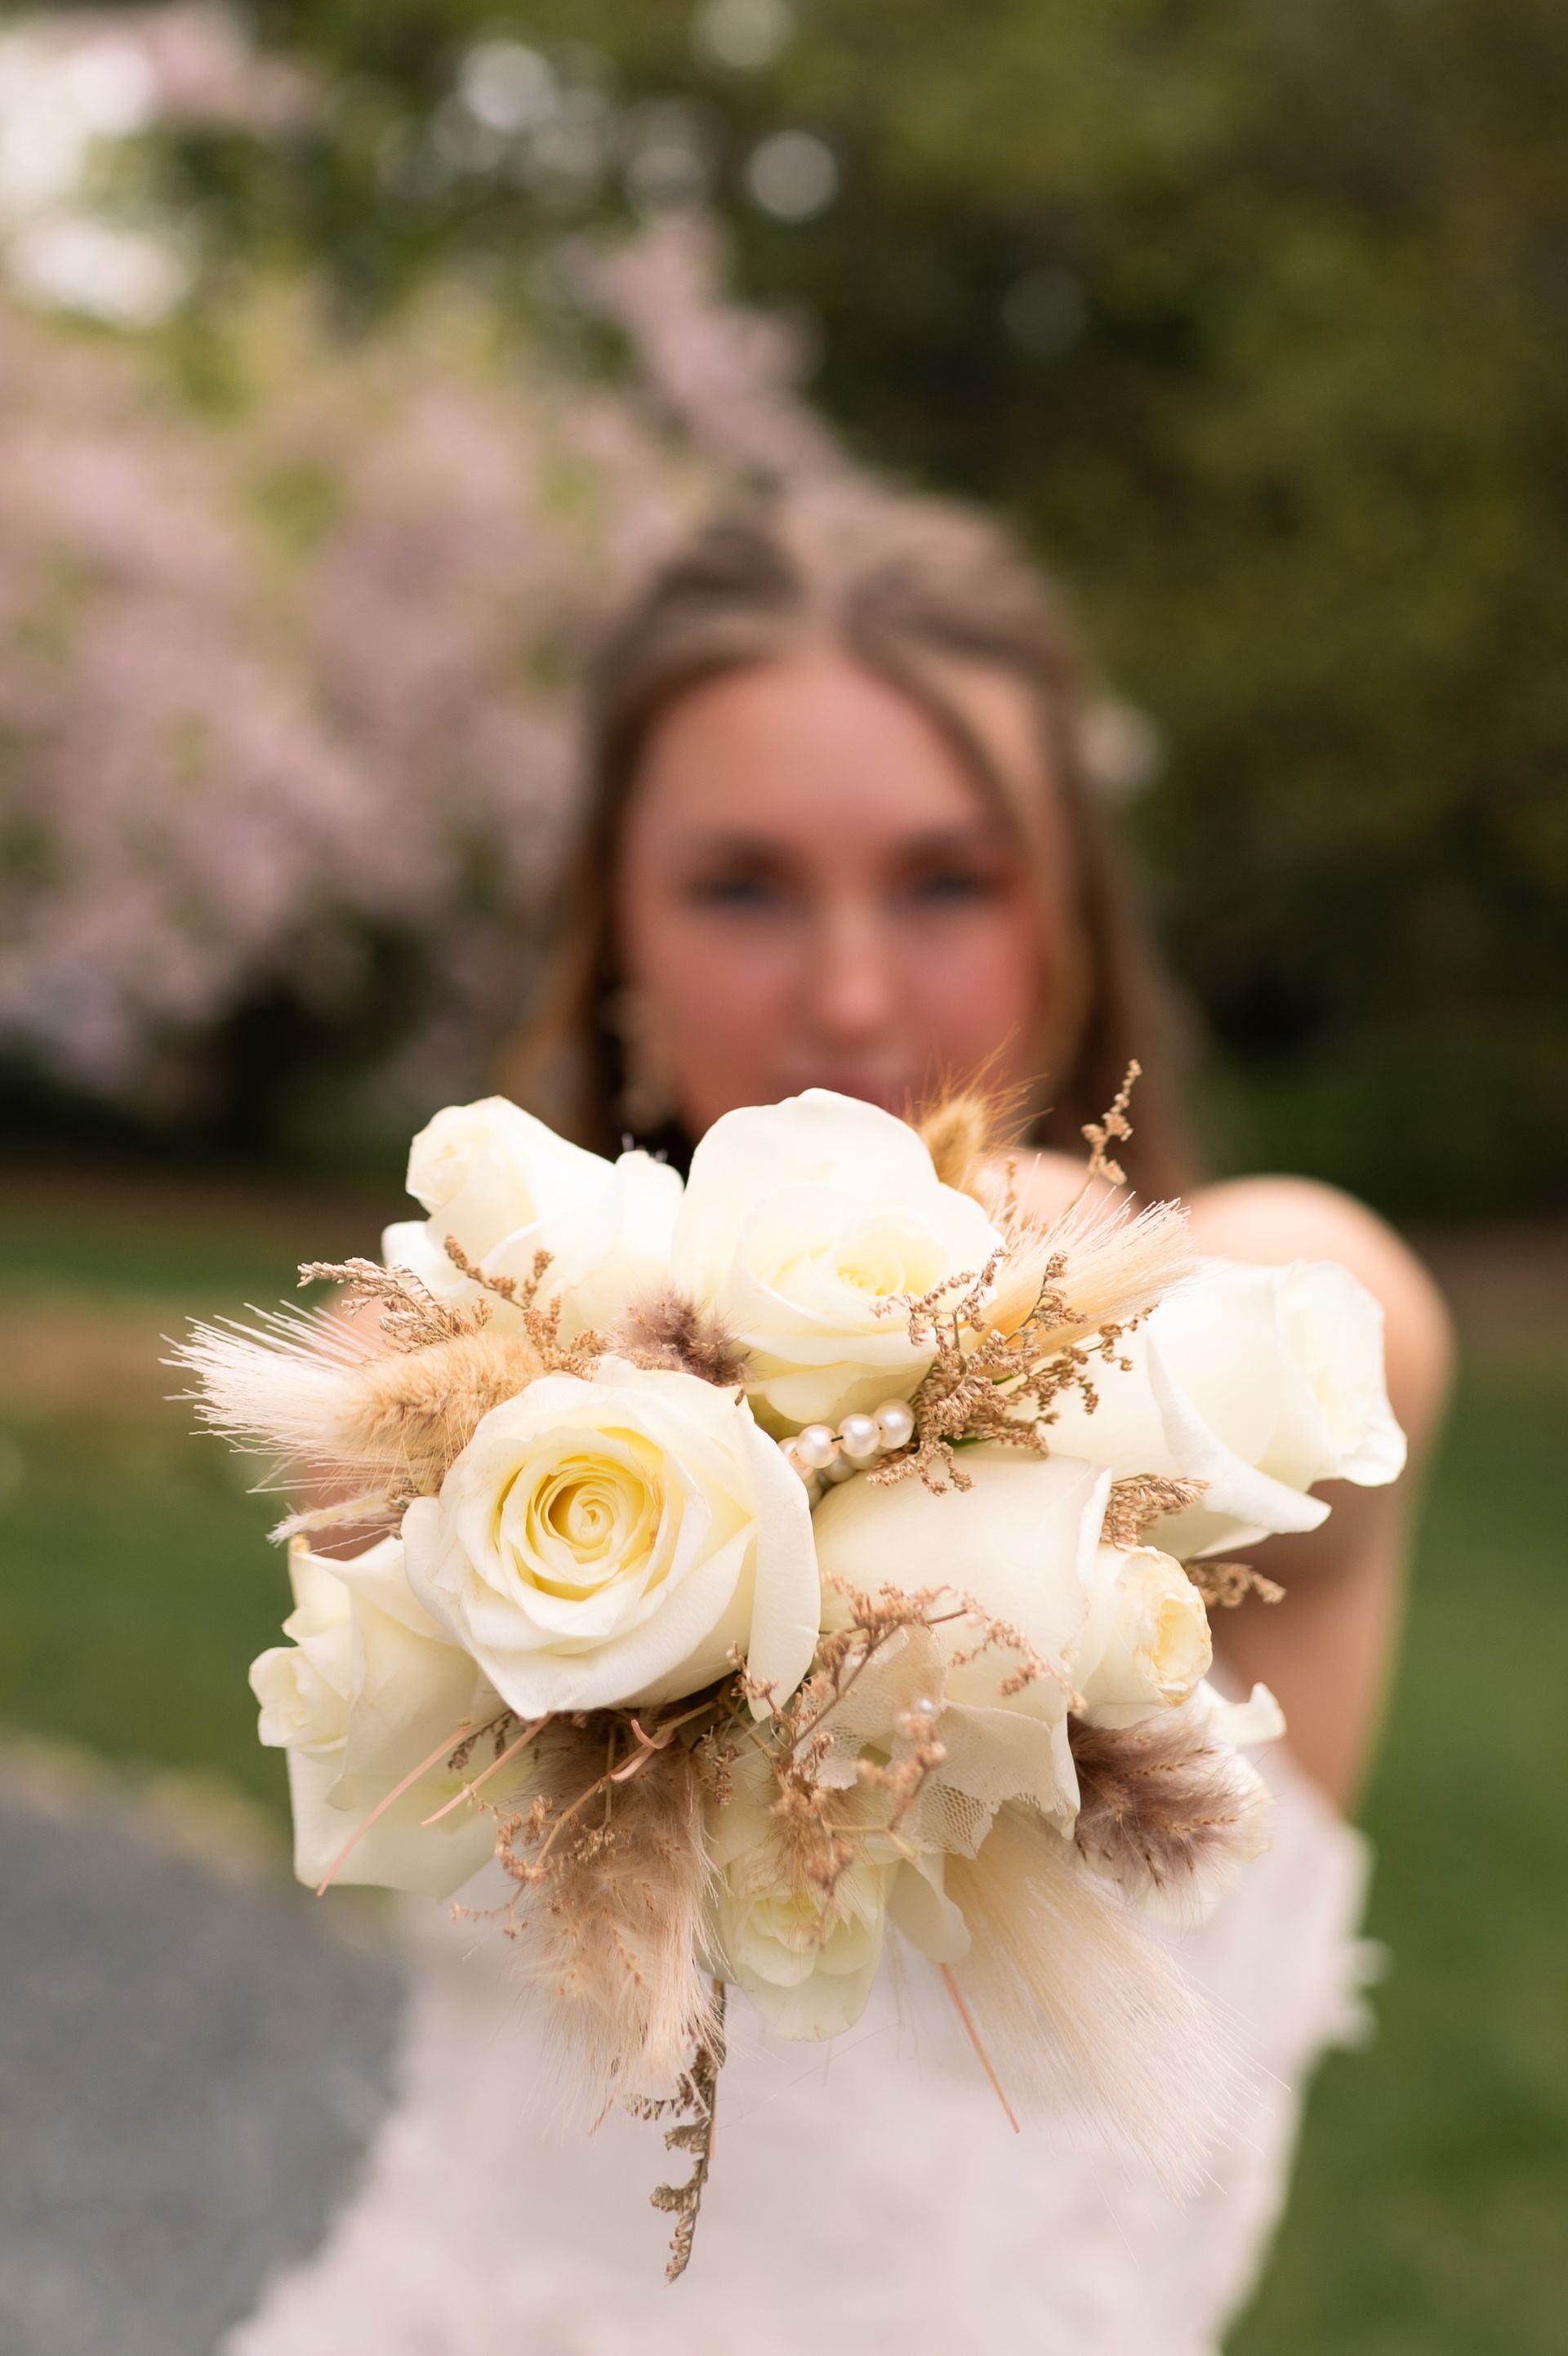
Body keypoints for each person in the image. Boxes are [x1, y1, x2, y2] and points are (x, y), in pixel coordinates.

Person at [228, 484, 1453, 2356]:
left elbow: (1324, 1321)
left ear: (1069, 921)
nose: (856, 988)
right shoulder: (449, 1390)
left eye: (947, 879)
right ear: (616, 936)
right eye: (744, 885)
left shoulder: (1256, 1332)